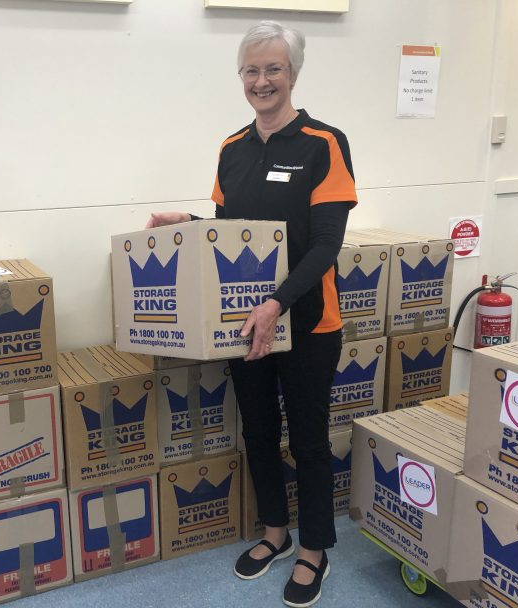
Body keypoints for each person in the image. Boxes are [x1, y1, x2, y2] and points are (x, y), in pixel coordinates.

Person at [146, 20, 357, 608]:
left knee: (309, 439)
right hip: (246, 322)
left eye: (273, 69)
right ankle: (274, 533)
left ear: (293, 74)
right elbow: (226, 232)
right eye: (251, 70)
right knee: (259, 431)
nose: (262, 81)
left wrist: (276, 303)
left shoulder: (323, 143)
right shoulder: (231, 150)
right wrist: (187, 226)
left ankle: (314, 549)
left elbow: (324, 245)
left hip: (308, 320)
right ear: (241, 77)